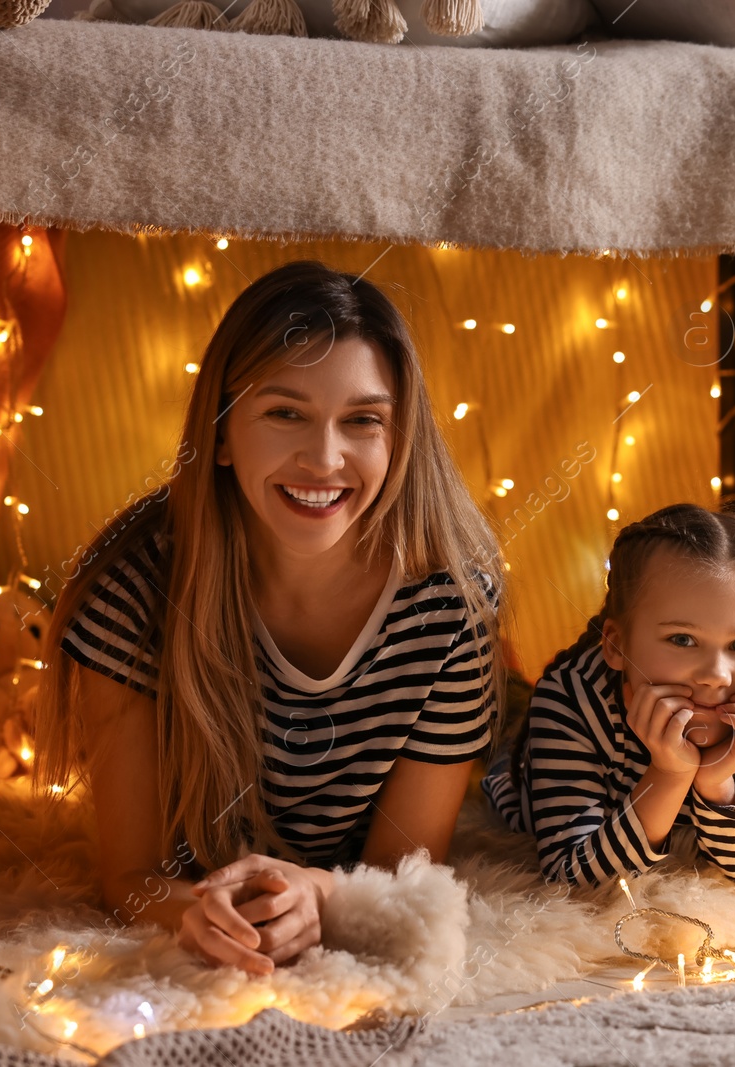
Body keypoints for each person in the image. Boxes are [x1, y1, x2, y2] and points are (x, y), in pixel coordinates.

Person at [33, 260, 506, 976]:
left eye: (363, 421)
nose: (324, 458)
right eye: (285, 412)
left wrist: (318, 892)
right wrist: (192, 913)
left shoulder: (448, 606)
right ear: (221, 435)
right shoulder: (130, 593)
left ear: (398, 440)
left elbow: (404, 872)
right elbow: (131, 879)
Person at [482, 503, 735, 901]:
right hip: (526, 770)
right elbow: (571, 882)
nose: (716, 674)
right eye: (682, 639)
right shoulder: (571, 696)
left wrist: (717, 784)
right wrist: (670, 774)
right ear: (617, 645)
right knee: (497, 727)